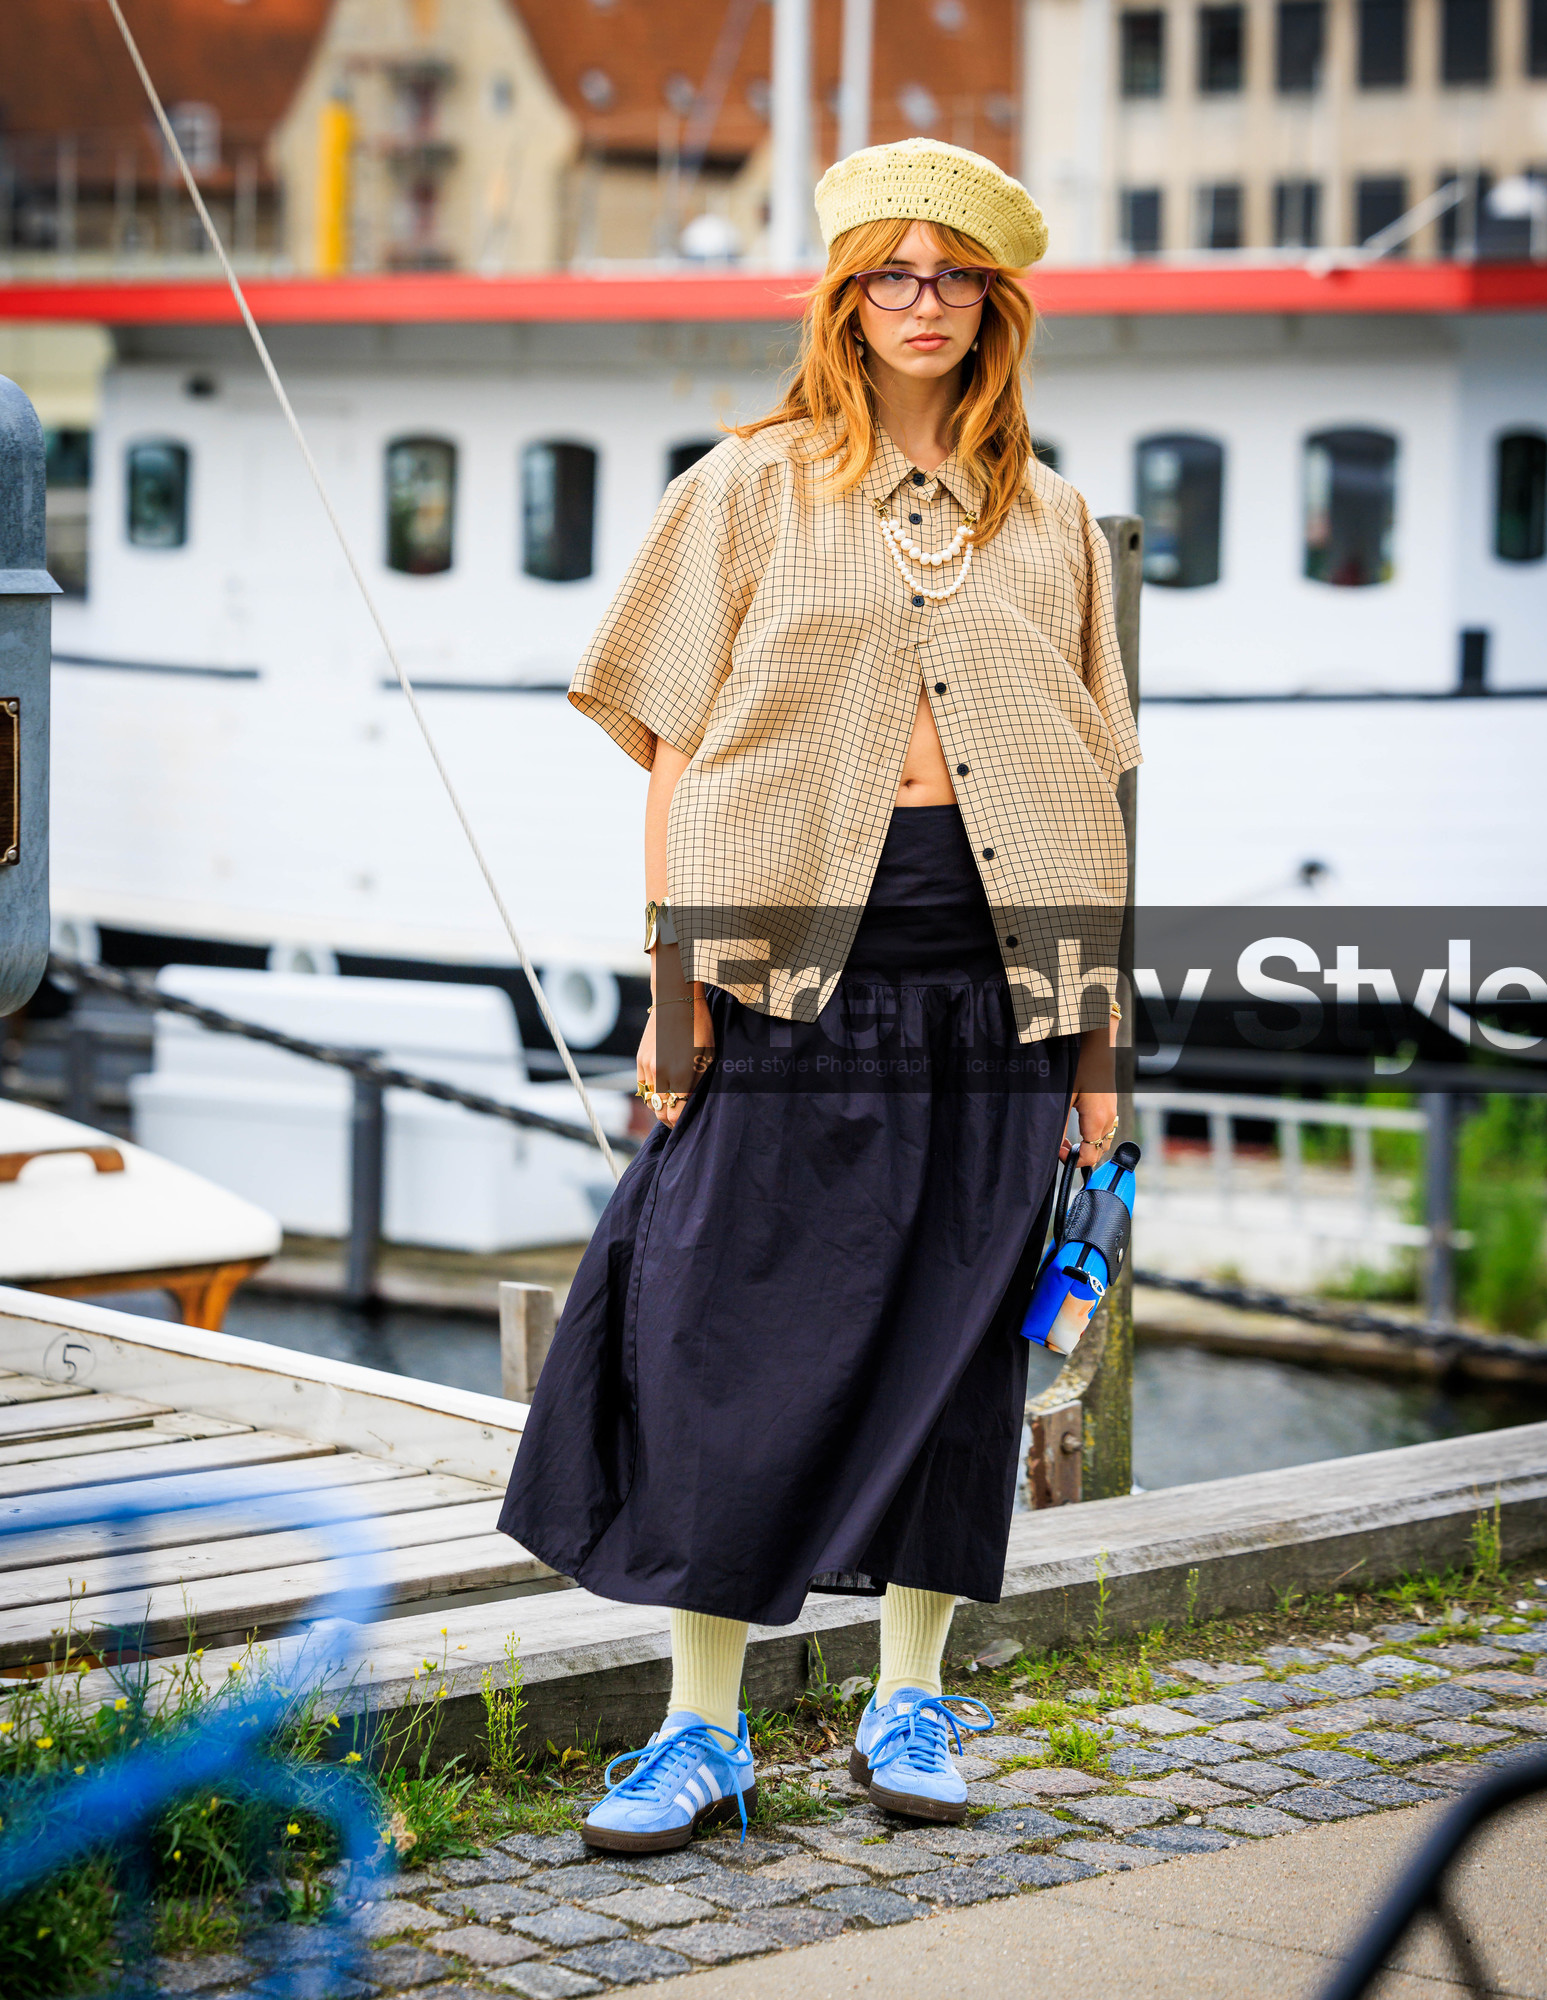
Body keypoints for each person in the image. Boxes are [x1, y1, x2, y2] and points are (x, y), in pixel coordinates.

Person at [497, 135, 1142, 1854]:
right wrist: (672, 998)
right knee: (724, 1332)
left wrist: (1099, 1050)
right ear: (843, 299)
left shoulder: (1059, 521)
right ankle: (700, 1730)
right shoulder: (744, 489)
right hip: (787, 973)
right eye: (888, 273)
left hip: (993, 988)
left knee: (955, 1350)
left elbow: (1092, 791)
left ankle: (908, 1701)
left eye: (953, 276)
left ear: (998, 307)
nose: (918, 304)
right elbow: (677, 749)